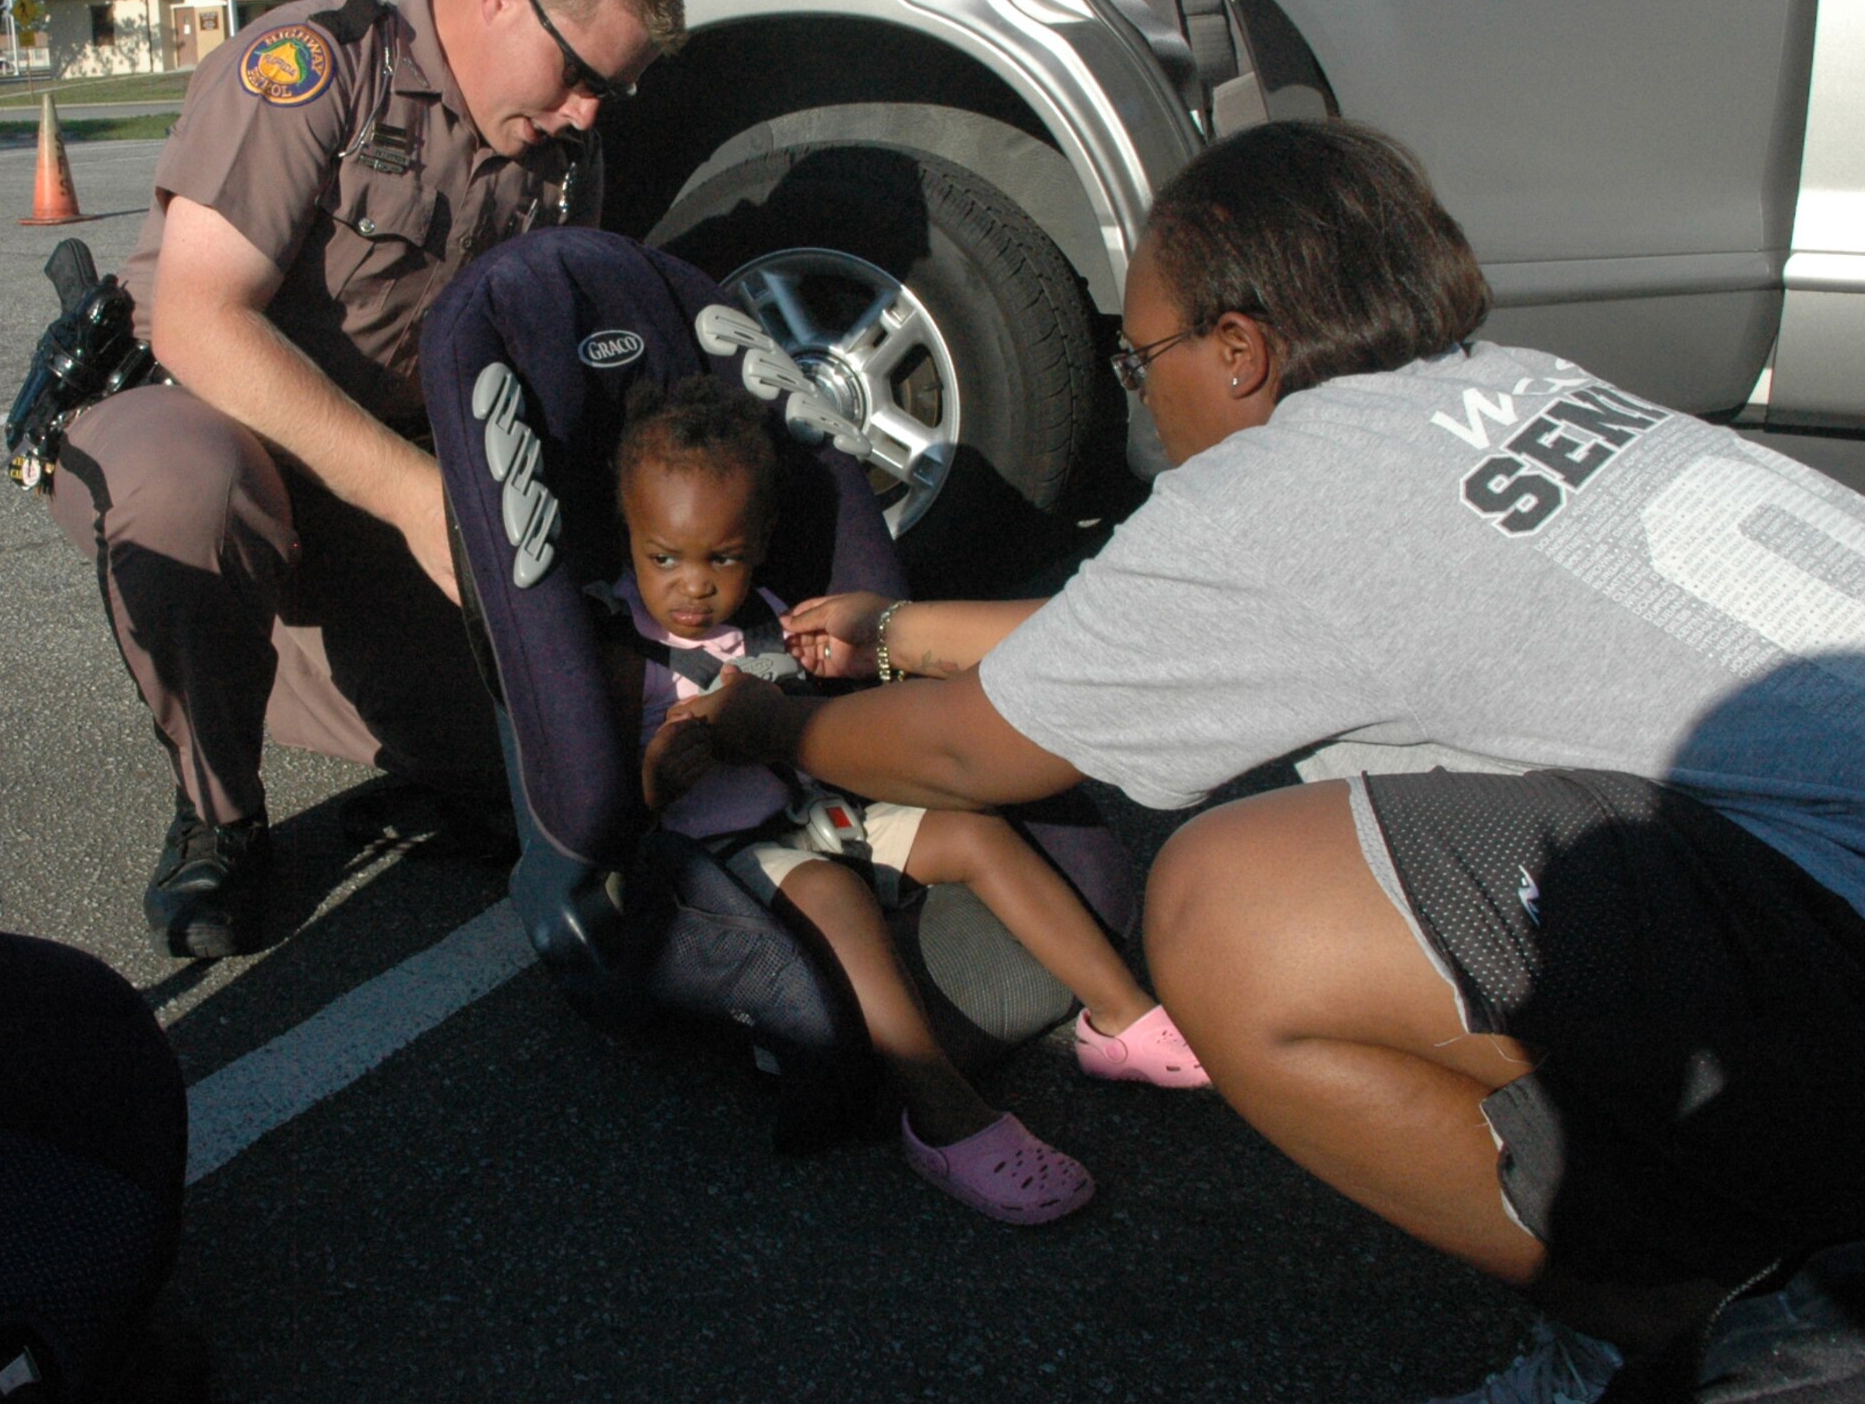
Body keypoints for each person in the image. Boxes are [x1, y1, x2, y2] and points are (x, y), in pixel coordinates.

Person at [692, 122, 1865, 1398]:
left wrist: (759, 726)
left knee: (1231, 912)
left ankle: (1692, 1330)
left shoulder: (1282, 489)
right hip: (1808, 866)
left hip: (1834, 964)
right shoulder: (1507, 391)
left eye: (1143, 362)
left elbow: (969, 755)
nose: (1141, 399)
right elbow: (1146, 634)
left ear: (1238, 350)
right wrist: (898, 633)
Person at [47, 0, 685, 958]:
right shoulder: (317, 67)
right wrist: (417, 499)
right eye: (578, 74)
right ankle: (218, 814)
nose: (587, 111)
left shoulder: (564, 160)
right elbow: (198, 323)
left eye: (608, 91)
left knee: (537, 762)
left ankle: (313, 665)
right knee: (191, 489)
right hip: (193, 423)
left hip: (365, 480)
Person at [604, 376, 1206, 1224]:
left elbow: (833, 718)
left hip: (819, 804)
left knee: (973, 834)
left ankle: (1123, 1017)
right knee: (834, 895)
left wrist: (818, 673)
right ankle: (945, 1115)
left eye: (722, 559)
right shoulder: (624, 647)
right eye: (664, 558)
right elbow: (633, 801)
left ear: (759, 545)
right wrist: (670, 756)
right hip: (723, 852)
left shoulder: (780, 613)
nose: (693, 586)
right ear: (631, 539)